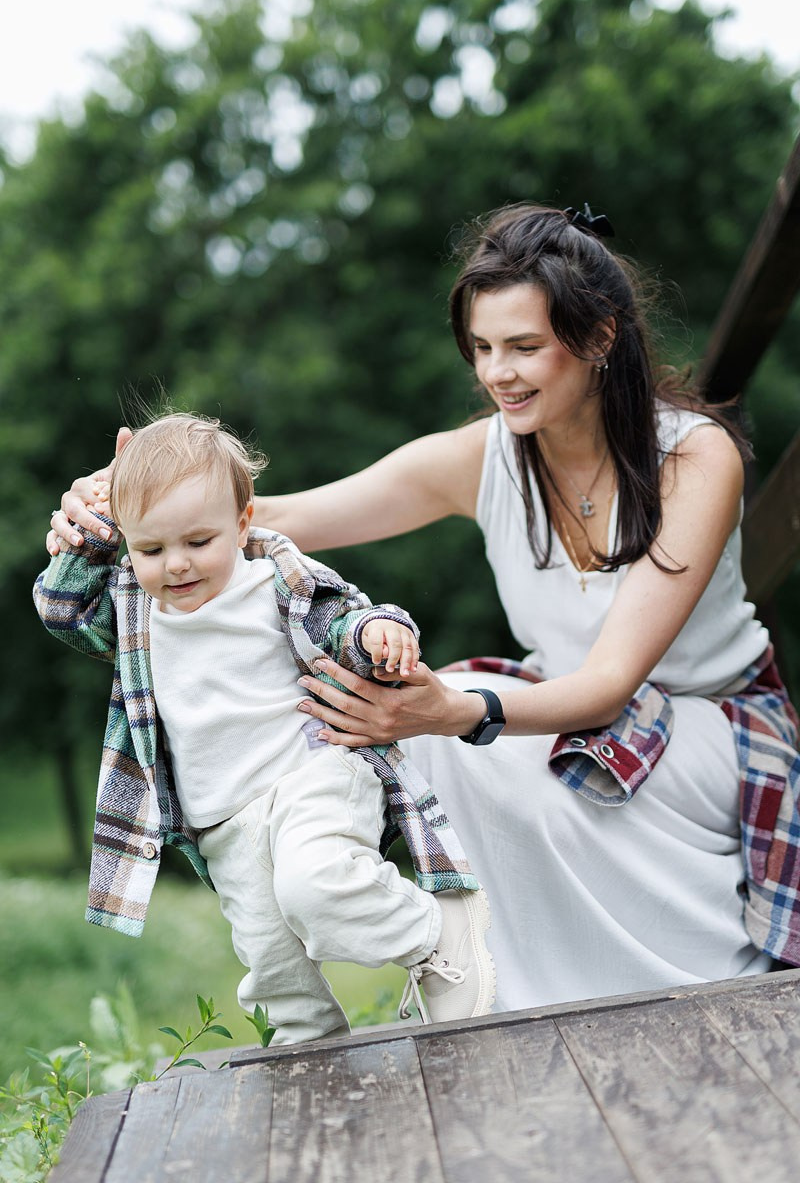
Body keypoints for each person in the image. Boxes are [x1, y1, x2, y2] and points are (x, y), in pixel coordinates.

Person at [48, 204, 800, 1014]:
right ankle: (493, 984)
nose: (497, 373)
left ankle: (613, 975)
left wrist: (449, 708)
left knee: (438, 723)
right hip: (574, 714)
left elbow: (613, 683)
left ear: (599, 338)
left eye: (523, 347)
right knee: (413, 731)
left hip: (713, 730)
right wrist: (118, 509)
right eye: (482, 348)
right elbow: (260, 519)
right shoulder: (483, 456)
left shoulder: (692, 454)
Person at [35, 412, 496, 1044]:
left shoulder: (271, 578)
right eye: (151, 549)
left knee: (317, 885)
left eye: (198, 542)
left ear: (243, 519)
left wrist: (376, 634)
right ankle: (310, 1055)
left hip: (312, 775)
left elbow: (340, 619)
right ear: (128, 544)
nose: (175, 565)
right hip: (223, 821)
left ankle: (435, 934)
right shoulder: (132, 609)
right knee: (274, 967)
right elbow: (62, 611)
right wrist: (92, 534)